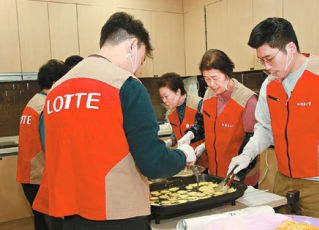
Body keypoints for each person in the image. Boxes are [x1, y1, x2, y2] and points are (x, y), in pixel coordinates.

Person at [32, 12, 196, 230]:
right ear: (131, 46)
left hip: (68, 216)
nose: (138, 68)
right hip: (117, 214)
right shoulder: (125, 85)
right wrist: (182, 155)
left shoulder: (56, 91)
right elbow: (153, 162)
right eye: (141, 58)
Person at [227, 17, 319, 223]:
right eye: (262, 61)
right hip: (284, 179)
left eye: (270, 59)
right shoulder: (269, 85)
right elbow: (265, 129)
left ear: (291, 47)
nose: (267, 67)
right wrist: (246, 155)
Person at [179, 49, 259, 186]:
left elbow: (253, 142)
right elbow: (202, 124)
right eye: (206, 79)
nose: (211, 84)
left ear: (227, 73)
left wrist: (239, 175)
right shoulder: (209, 94)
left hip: (240, 176)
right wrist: (190, 135)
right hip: (214, 174)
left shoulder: (247, 100)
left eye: (215, 78)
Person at [17, 59, 70, 230]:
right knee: (51, 225)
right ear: (56, 83)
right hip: (40, 177)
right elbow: (52, 148)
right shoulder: (47, 107)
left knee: (41, 222)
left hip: (28, 177)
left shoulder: (33, 102)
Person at [158, 72, 208, 168]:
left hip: (204, 162)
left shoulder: (198, 104)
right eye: (162, 97)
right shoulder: (172, 112)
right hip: (186, 162)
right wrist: (169, 141)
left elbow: (211, 132)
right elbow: (177, 134)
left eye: (166, 96)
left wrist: (204, 146)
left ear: (178, 92)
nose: (164, 101)